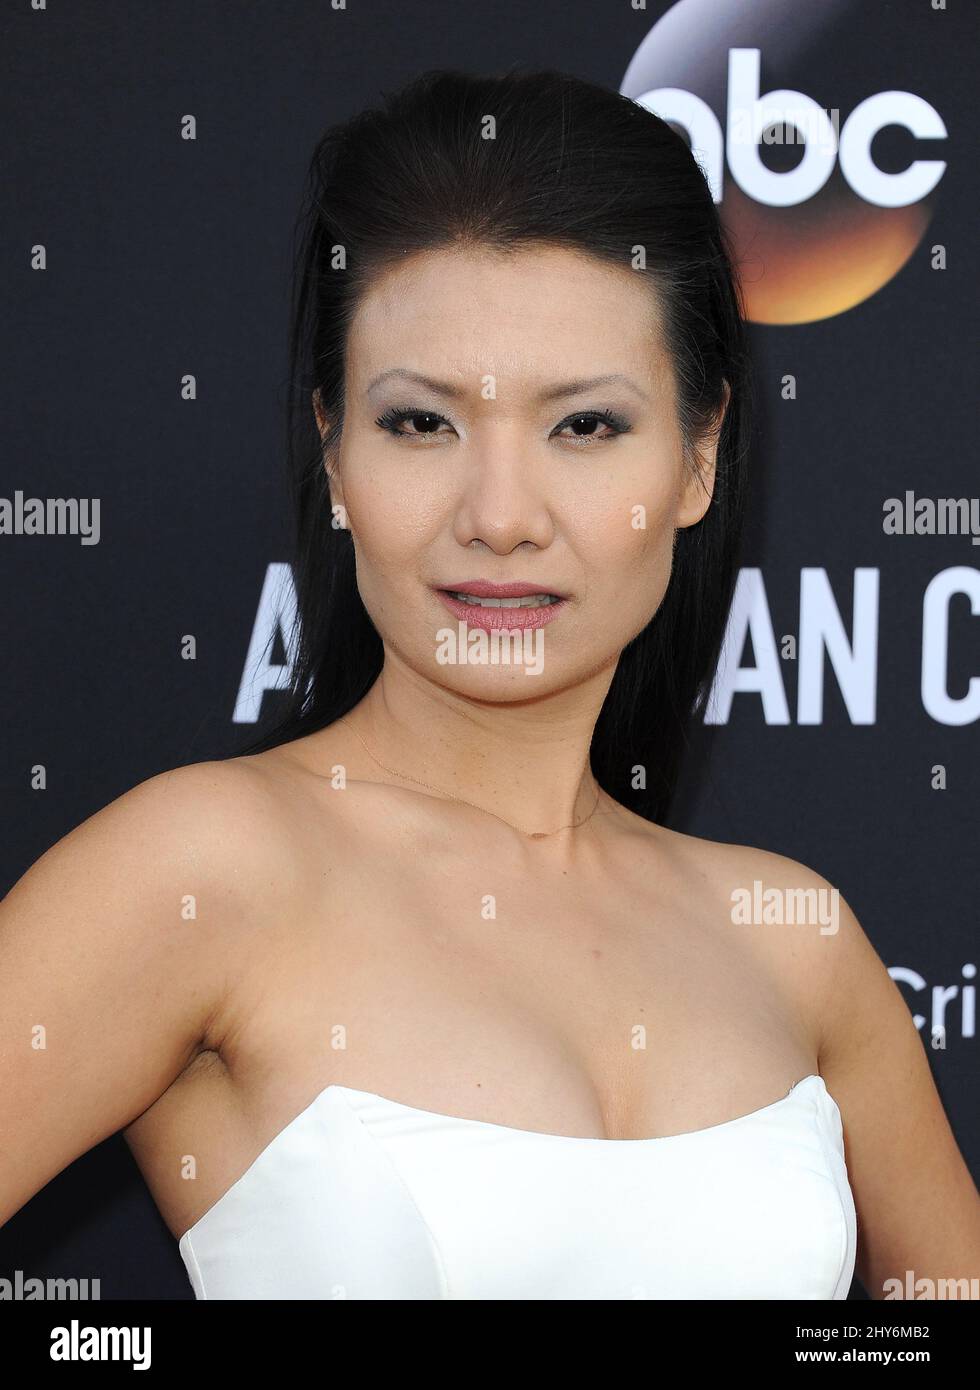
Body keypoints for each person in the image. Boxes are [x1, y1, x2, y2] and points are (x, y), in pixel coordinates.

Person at [2, 67, 977, 1301]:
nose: (501, 516)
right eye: (421, 424)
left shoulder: (791, 938)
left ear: (696, 458)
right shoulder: (204, 868)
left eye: (584, 426)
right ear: (333, 454)